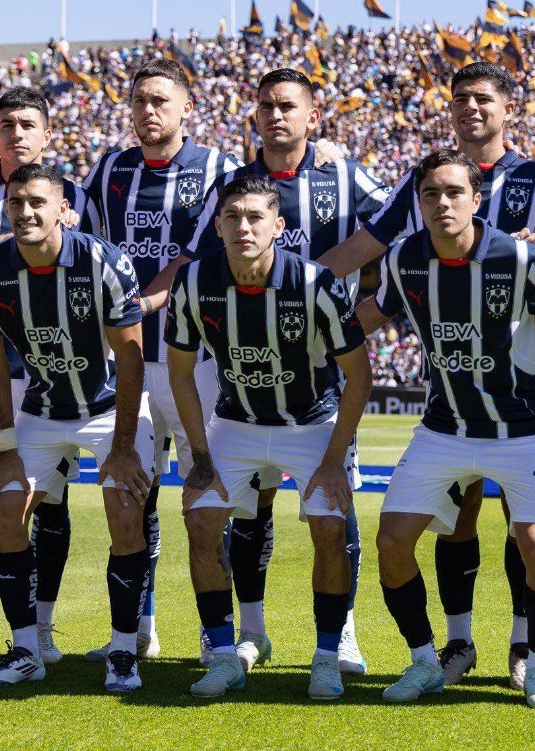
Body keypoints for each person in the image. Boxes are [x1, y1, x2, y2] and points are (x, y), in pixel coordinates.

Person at [78, 60, 349, 665]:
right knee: (135, 493)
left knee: (235, 495)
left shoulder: (221, 170)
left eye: (161, 101)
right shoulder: (108, 171)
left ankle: (240, 630)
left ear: (187, 107)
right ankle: (140, 628)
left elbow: (208, 251)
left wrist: (324, 148)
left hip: (195, 357)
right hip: (125, 354)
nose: (149, 111)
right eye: (140, 100)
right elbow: (79, 231)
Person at [353, 149, 535, 708]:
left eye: (454, 192)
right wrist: (305, 342)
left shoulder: (517, 258)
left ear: (476, 201)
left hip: (521, 432)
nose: (442, 203)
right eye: (430, 194)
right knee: (391, 540)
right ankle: (424, 661)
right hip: (444, 430)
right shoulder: (405, 258)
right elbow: (368, 316)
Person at [322, 62, 535, 689]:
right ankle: (455, 644)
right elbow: (367, 247)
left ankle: (523, 646)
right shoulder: (423, 181)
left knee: (528, 524)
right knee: (453, 519)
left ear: (507, 107)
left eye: (483, 98)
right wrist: (286, 286)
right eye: (460, 99)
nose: (470, 109)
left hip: (526, 384)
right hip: (450, 393)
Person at [144, 67, 388, 676]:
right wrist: (144, 302)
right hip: (243, 398)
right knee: (243, 512)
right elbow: (194, 258)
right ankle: (241, 637)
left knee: (334, 519)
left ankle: (341, 638)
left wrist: (368, 308)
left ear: (312, 116)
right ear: (252, 117)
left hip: (317, 390)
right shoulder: (231, 186)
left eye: (289, 106)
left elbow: (405, 221)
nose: (276, 116)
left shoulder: (344, 173)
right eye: (266, 107)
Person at [167, 176, 372, 700]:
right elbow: (180, 372)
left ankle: (326, 656)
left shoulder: (315, 283)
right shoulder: (193, 282)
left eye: (256, 216)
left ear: (278, 226)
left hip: (311, 423)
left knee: (329, 532)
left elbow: (360, 375)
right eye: (232, 216)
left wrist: (332, 458)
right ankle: (222, 652)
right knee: (200, 520)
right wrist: (200, 455)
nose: (244, 226)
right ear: (217, 225)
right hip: (235, 422)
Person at [0, 163, 155, 691]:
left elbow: (132, 357)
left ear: (61, 210)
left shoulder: (103, 261)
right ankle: (26, 647)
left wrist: (121, 446)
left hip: (107, 407)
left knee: (124, 508)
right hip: (41, 410)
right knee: (4, 510)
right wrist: (5, 446)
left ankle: (123, 651)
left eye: (37, 202)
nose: (26, 212)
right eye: (17, 203)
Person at [0, 86, 89, 668]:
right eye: (7, 124)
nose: (17, 134)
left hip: (55, 372)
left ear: (48, 134)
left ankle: (42, 625)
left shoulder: (76, 193)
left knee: (49, 501)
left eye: (28, 124)